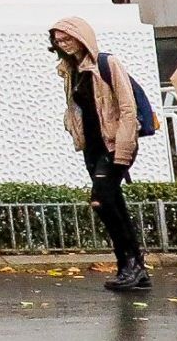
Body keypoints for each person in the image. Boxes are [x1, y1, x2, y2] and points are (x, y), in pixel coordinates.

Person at [48, 19, 151, 296]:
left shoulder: (107, 63)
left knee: (101, 200)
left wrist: (124, 147)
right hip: (93, 147)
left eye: (67, 38)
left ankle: (132, 263)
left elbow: (128, 107)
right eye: (58, 40)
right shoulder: (70, 70)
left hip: (114, 143)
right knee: (112, 201)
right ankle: (132, 266)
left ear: (81, 37)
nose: (63, 44)